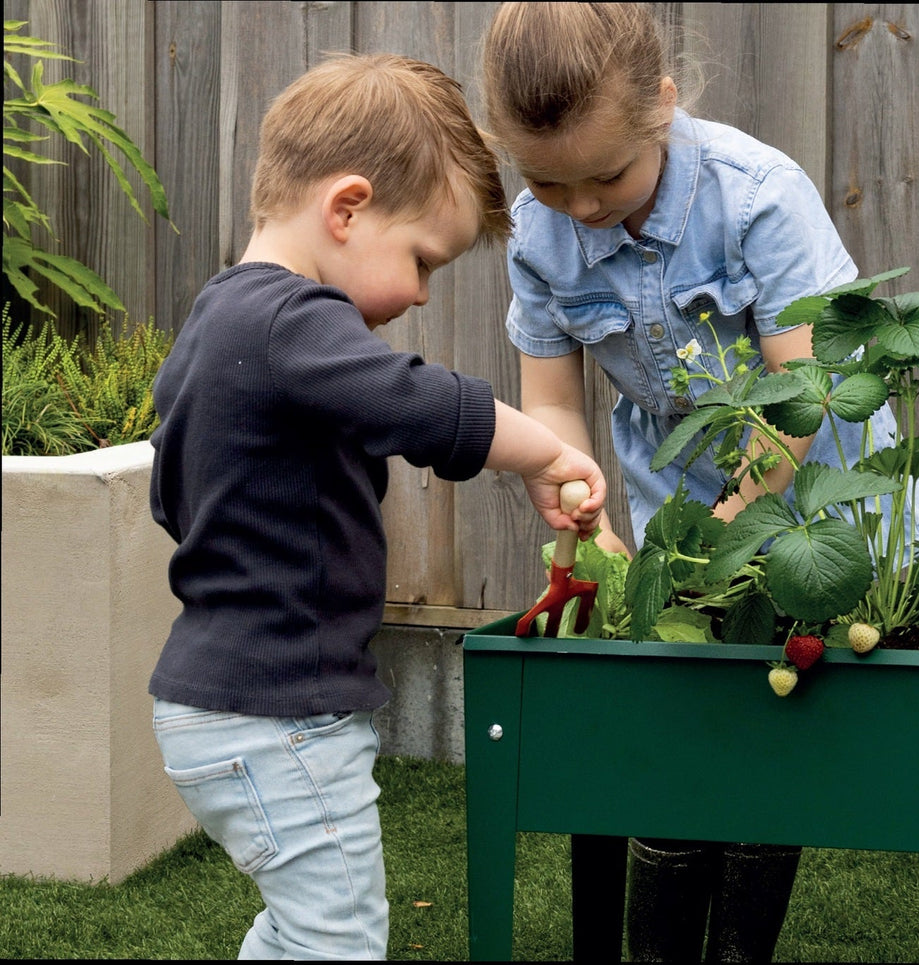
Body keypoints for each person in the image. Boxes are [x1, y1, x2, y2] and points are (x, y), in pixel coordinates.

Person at [479, 4, 919, 961]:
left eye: (606, 175)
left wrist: (719, 540)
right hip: (682, 502)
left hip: (817, 493)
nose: (583, 207)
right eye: (548, 181)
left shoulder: (756, 195)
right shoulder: (538, 233)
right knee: (684, 713)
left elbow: (797, 403)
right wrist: (577, 502)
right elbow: (552, 405)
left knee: (767, 724)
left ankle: (735, 951)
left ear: (661, 103)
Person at [146, 53, 606, 961]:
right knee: (340, 941)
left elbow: (172, 487)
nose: (423, 294)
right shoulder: (291, 320)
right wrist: (545, 451)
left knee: (302, 930)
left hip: (213, 703)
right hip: (282, 714)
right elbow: (417, 403)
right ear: (347, 208)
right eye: (423, 260)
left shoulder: (217, 319)